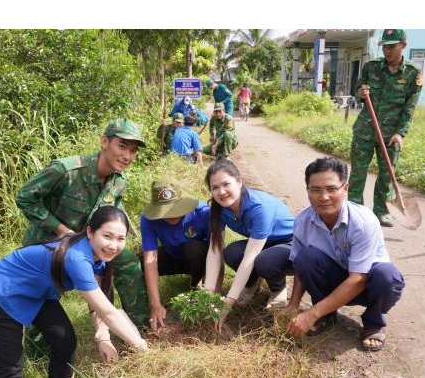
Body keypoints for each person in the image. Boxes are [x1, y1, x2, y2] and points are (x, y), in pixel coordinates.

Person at [0, 206, 149, 378]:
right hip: (5, 288)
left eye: (120, 239)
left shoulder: (98, 256)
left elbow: (98, 302)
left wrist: (103, 337)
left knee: (65, 341)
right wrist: (141, 347)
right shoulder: (77, 258)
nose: (113, 245)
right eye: (107, 236)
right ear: (90, 232)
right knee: (11, 365)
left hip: (39, 293)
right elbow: (108, 312)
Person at [16, 118, 151, 332]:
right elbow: (24, 197)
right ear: (104, 142)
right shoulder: (66, 170)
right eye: (122, 146)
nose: (127, 156)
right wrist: (62, 231)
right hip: (48, 245)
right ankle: (39, 355)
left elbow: (110, 215)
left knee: (128, 262)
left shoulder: (118, 181)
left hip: (89, 243)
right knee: (43, 296)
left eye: (133, 151)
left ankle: (140, 327)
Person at [287, 157, 405, 351]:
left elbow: (358, 278)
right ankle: (327, 314)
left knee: (388, 276)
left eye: (331, 189)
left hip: (366, 284)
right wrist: (293, 305)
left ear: (346, 188)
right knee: (305, 259)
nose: (323, 197)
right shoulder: (303, 220)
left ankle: (374, 322)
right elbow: (300, 268)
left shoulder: (363, 221)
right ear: (307, 190)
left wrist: (311, 313)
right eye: (315, 190)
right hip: (334, 281)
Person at [203, 159, 295, 332]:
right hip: (263, 242)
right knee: (231, 253)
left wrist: (228, 301)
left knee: (264, 261)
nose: (221, 192)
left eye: (226, 184)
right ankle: (251, 283)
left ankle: (278, 288)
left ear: (239, 181)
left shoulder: (259, 207)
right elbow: (214, 252)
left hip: (289, 242)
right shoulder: (219, 209)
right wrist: (207, 293)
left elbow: (250, 258)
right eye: (215, 187)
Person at [348, 29, 423, 227]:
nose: (387, 51)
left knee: (386, 175)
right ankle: (355, 209)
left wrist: (401, 133)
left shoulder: (413, 74)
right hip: (365, 129)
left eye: (392, 46)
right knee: (358, 172)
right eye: (385, 47)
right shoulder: (371, 67)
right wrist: (361, 93)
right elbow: (357, 91)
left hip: (390, 134)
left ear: (403, 45)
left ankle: (381, 212)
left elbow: (410, 107)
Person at [139, 177, 211, 331]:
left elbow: (216, 252)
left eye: (174, 210)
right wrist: (155, 303)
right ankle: (142, 311)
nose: (171, 216)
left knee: (191, 249)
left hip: (200, 259)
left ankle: (197, 284)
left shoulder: (202, 212)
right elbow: (150, 259)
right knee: (136, 262)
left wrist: (213, 290)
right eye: (165, 211)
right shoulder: (148, 219)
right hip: (173, 255)